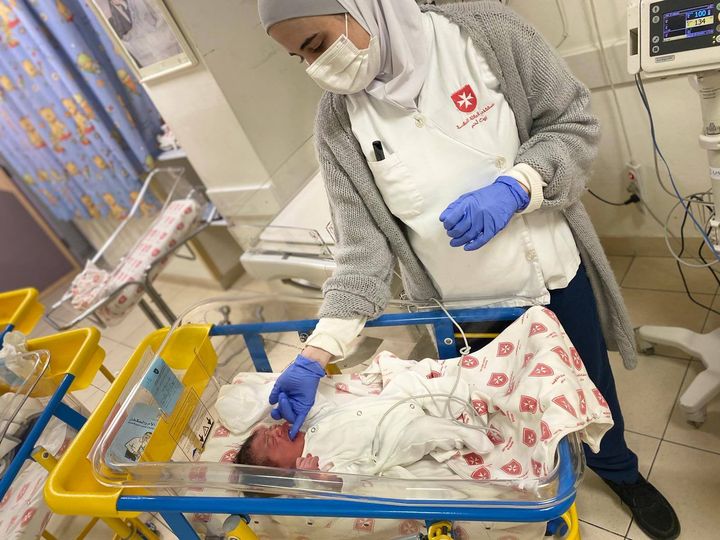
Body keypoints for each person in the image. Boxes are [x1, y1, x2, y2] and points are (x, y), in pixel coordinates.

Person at [257, 1, 679, 538]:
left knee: (587, 383)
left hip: (549, 275)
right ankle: (522, 502)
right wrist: (318, 351)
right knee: (490, 414)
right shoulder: (339, 121)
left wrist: (517, 186)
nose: (317, 66)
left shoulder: (485, 37)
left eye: (317, 44)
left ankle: (618, 469)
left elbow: (572, 122)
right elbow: (362, 253)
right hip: (463, 308)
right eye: (300, 58)